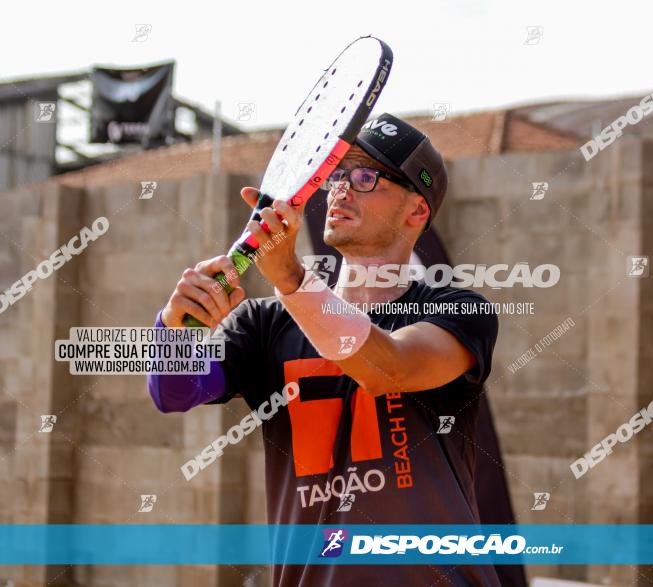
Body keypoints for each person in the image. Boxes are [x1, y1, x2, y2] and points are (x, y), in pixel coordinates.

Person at [148, 114, 501, 586]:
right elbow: (173, 394)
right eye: (337, 173)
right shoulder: (265, 324)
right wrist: (173, 326)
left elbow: (388, 369)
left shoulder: (458, 311)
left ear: (416, 212)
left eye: (365, 175)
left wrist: (290, 278)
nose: (341, 188)